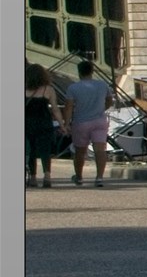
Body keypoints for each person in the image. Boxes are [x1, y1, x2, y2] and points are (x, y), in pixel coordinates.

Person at [62, 58, 115, 188]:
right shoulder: (103, 85)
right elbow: (110, 100)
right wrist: (102, 109)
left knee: (80, 151)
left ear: (79, 72)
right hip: (100, 120)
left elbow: (68, 107)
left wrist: (66, 123)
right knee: (100, 150)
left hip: (81, 121)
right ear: (92, 71)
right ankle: (99, 178)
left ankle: (79, 177)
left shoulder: (73, 88)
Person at [26, 62, 62, 189]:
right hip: (44, 123)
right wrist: (62, 124)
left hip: (28, 123)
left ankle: (33, 178)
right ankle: (47, 176)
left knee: (31, 151)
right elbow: (55, 109)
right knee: (45, 150)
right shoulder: (48, 89)